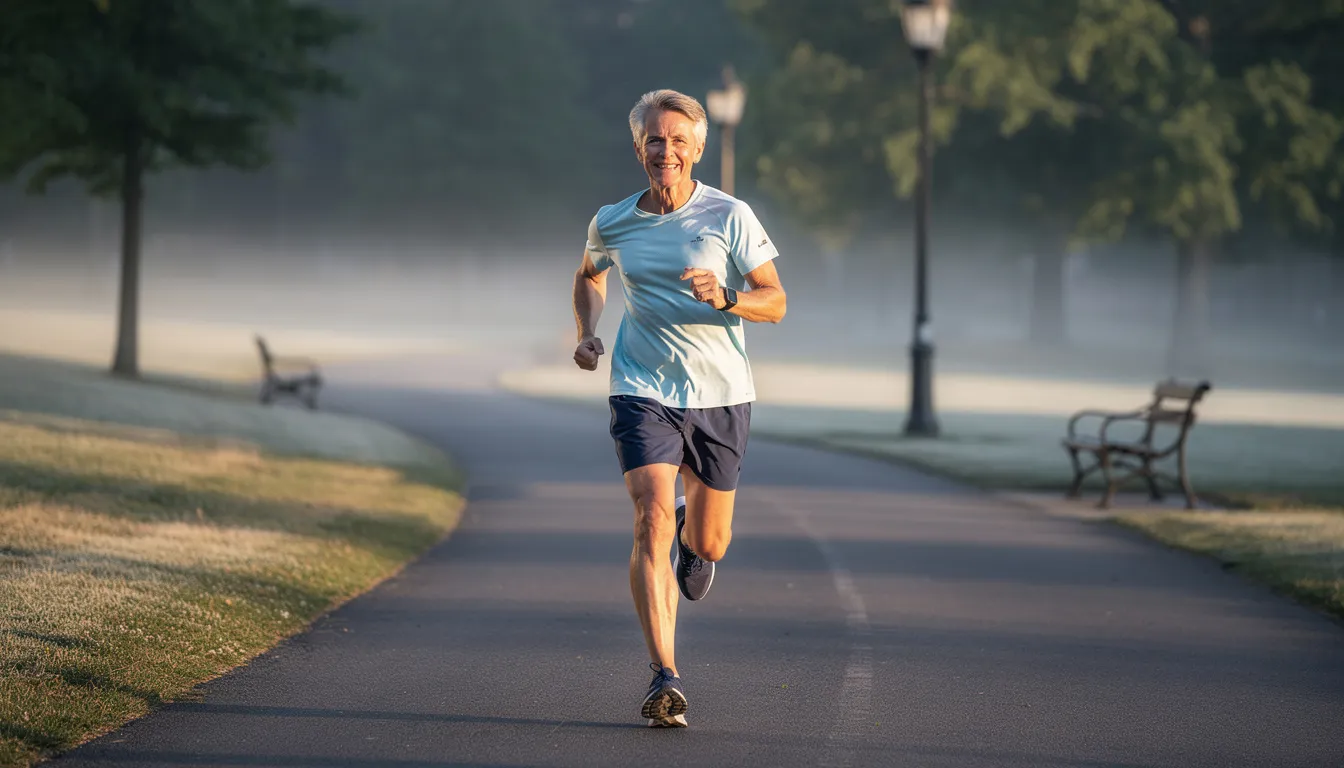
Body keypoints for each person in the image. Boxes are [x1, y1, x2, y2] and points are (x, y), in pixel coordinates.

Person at [570, 89, 787, 727]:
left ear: (697, 149)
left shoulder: (729, 215)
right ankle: (664, 676)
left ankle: (698, 539)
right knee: (649, 520)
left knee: (709, 542)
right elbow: (589, 274)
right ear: (639, 148)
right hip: (641, 387)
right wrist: (587, 329)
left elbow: (774, 301)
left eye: (678, 141)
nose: (666, 151)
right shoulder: (612, 219)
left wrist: (727, 297)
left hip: (721, 394)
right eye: (654, 141)